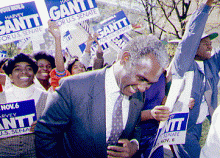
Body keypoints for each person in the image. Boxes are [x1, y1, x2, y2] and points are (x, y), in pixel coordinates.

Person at [34, 34, 169, 158]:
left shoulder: (139, 95)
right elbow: (45, 134)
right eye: (141, 78)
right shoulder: (73, 88)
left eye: (150, 84)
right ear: (125, 58)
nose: (142, 88)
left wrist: (134, 144)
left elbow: (136, 125)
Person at [171, 0, 219, 157]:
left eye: (211, 43)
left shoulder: (210, 65)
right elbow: (191, 36)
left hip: (197, 126)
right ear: (194, 46)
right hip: (182, 128)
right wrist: (206, 7)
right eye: (205, 43)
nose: (210, 46)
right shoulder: (183, 63)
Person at [0, 53, 48, 157]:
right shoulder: (1, 98)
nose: (24, 72)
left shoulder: (47, 97)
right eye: (17, 69)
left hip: (36, 153)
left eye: (29, 69)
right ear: (10, 76)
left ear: (34, 73)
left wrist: (44, 126)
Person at [138, 72, 170, 158]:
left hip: (154, 135)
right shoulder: (137, 76)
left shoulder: (163, 76)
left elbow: (164, 100)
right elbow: (128, 116)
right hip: (135, 136)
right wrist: (151, 114)